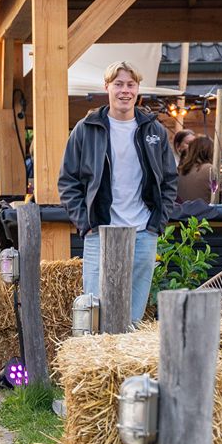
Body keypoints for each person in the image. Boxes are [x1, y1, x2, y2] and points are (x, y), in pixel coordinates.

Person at [58, 61, 178, 325]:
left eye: (131, 85)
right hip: (100, 230)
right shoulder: (86, 128)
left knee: (133, 316)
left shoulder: (154, 130)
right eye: (119, 84)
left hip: (143, 231)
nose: (125, 90)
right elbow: (67, 181)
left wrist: (156, 224)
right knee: (94, 312)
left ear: (138, 89)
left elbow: (169, 179)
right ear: (107, 87)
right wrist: (86, 223)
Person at [175, 134, 216, 204]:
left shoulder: (180, 170)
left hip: (183, 210)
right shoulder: (210, 169)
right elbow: (218, 192)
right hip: (204, 210)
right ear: (211, 151)